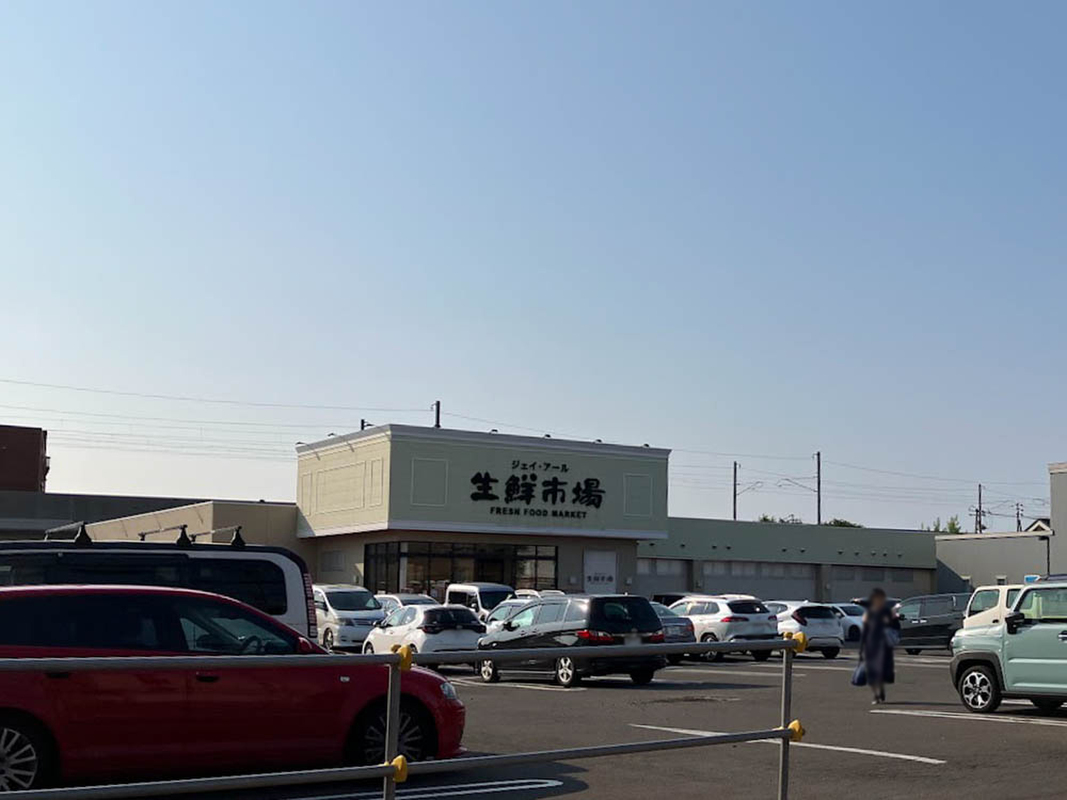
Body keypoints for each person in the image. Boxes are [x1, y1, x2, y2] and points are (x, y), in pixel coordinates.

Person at [859, 587, 900, 704]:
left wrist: (891, 621)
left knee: (880, 672)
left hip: (883, 647)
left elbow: (895, 627)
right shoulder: (869, 613)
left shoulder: (887, 612)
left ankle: (879, 691)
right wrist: (862, 649)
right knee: (872, 673)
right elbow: (865, 631)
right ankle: (876, 694)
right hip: (871, 646)